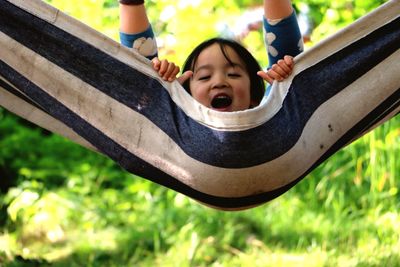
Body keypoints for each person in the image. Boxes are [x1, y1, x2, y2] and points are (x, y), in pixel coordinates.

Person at [119, 0, 303, 111]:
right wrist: (160, 84)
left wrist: (285, 79)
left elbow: (289, 57)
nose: (219, 82)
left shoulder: (272, 112)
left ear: (253, 96)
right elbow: (140, 78)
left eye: (233, 74)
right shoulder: (178, 123)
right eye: (205, 76)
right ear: (187, 99)